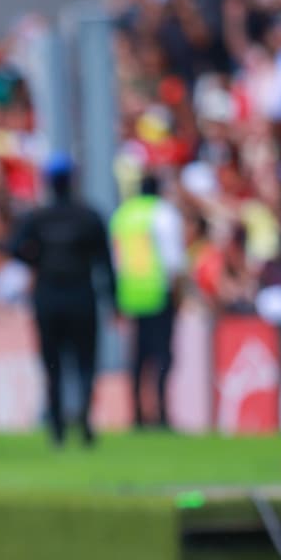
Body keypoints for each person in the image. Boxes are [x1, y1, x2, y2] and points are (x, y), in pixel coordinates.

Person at [10, 155, 116, 446]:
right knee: (85, 362)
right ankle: (84, 420)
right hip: (82, 296)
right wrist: (113, 300)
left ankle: (57, 427)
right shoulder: (89, 216)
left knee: (52, 364)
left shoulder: (37, 217)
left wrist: (38, 259)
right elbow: (105, 261)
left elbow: (14, 247)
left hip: (48, 297)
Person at [109, 172, 185, 429]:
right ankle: (161, 413)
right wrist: (177, 297)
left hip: (131, 295)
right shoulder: (164, 213)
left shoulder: (124, 215)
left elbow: (116, 261)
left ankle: (137, 414)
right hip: (159, 294)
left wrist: (116, 299)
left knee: (138, 358)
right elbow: (173, 262)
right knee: (162, 356)